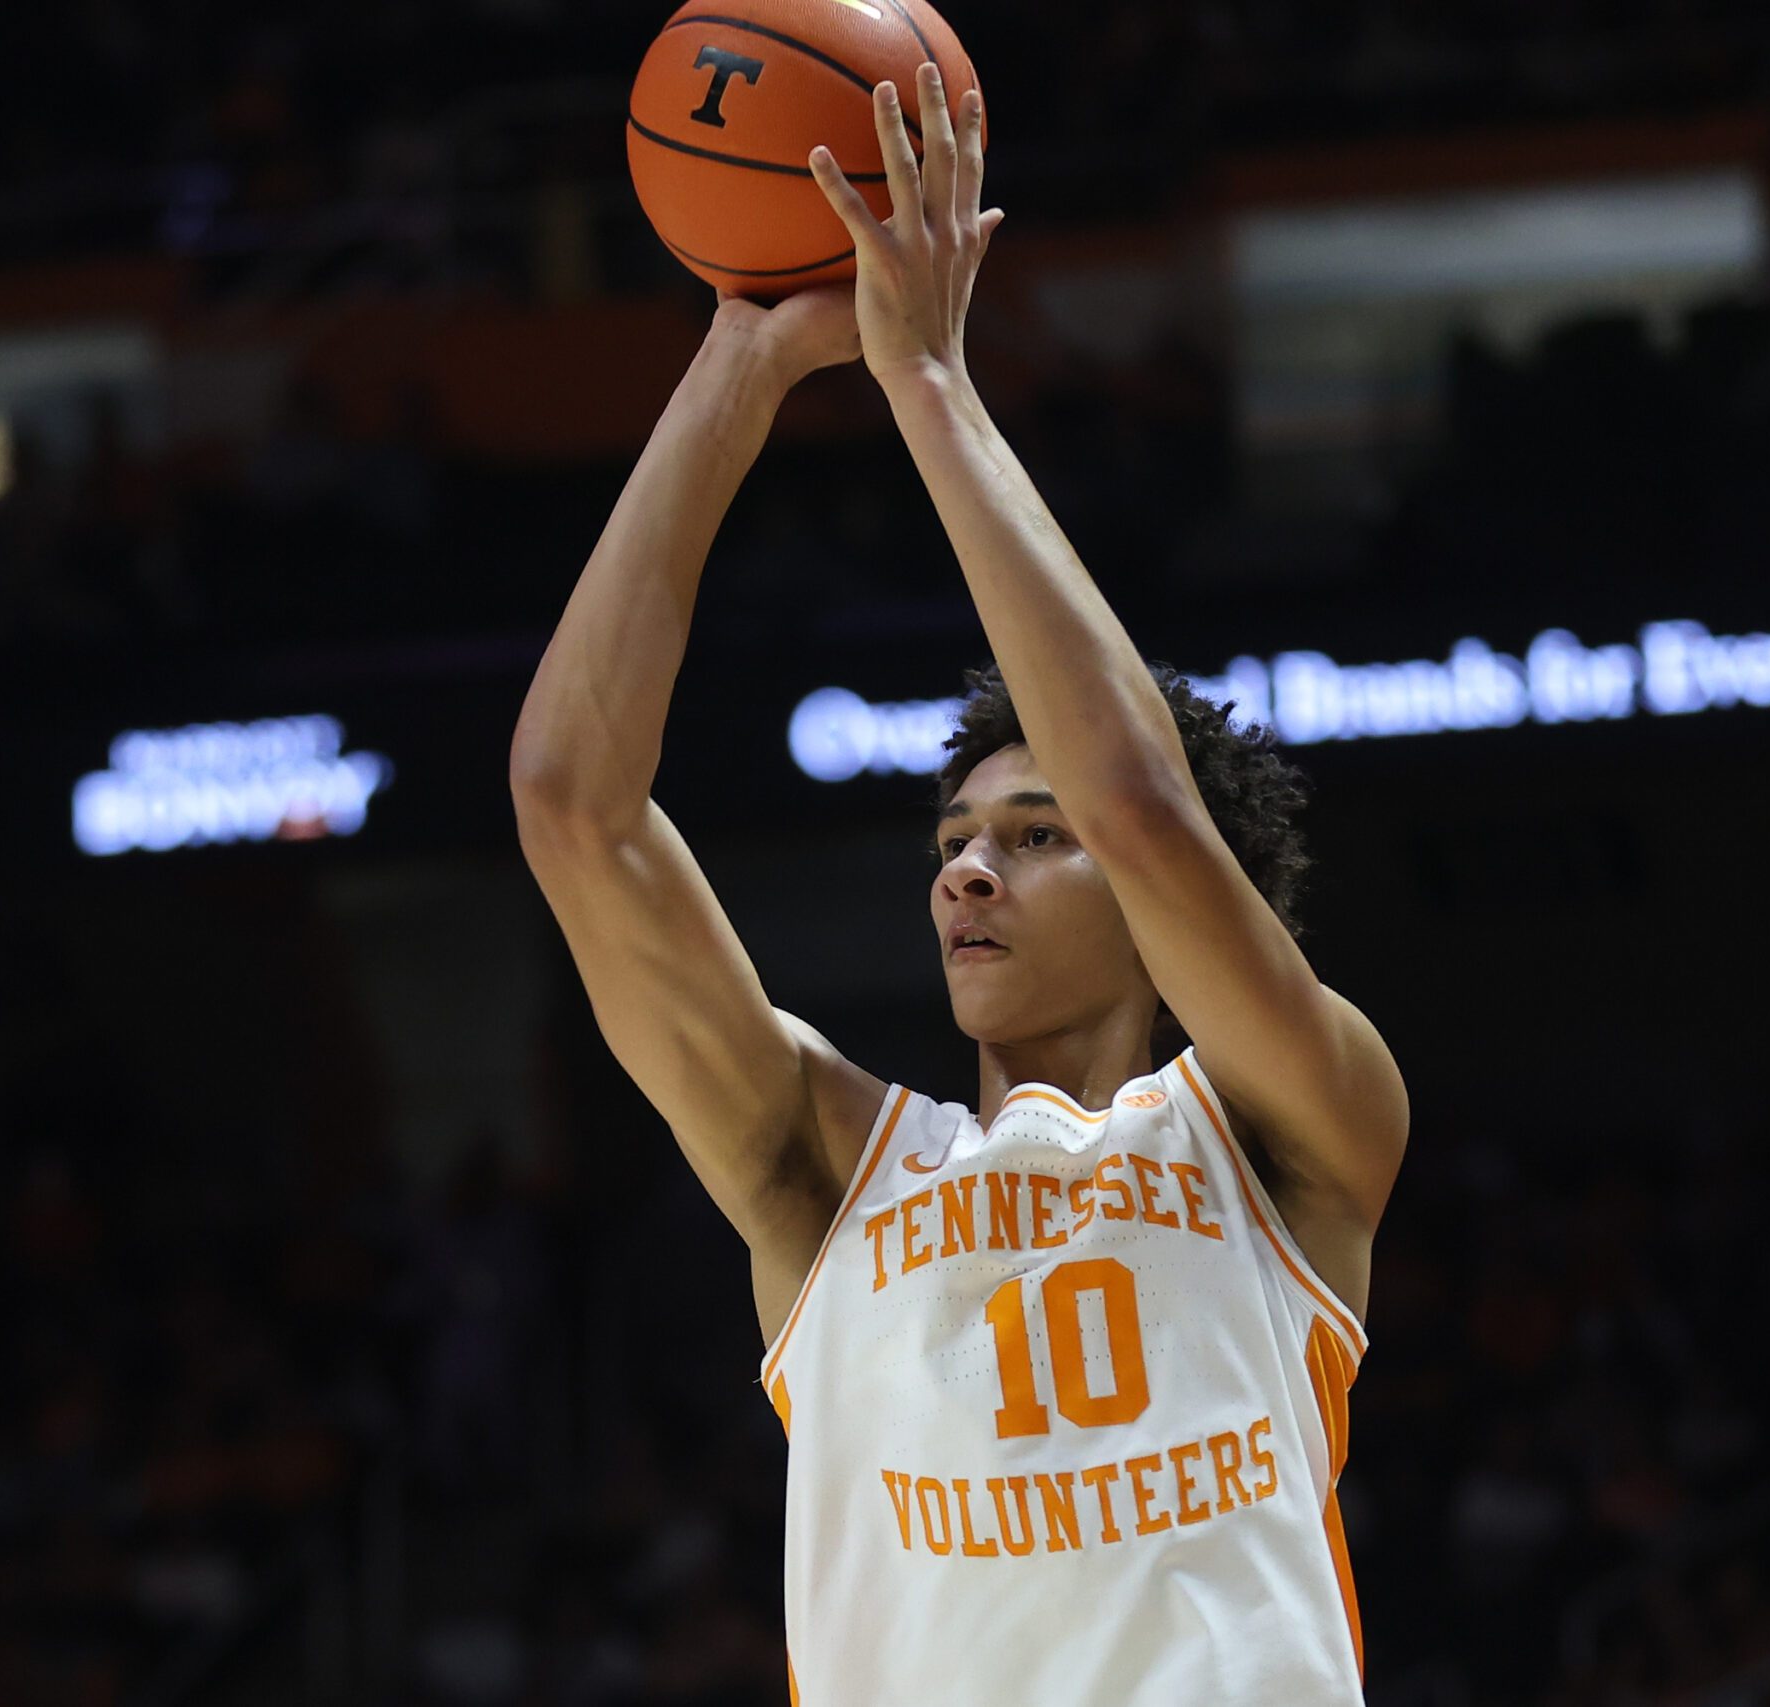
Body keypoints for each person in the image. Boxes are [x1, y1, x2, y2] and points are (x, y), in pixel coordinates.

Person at [509, 64, 1409, 1706]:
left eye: (1032, 836)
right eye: (951, 846)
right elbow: (575, 807)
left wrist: (927, 376)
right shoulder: (826, 1168)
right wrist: (743, 355)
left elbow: (1143, 805)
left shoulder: (1292, 1129)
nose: (970, 871)